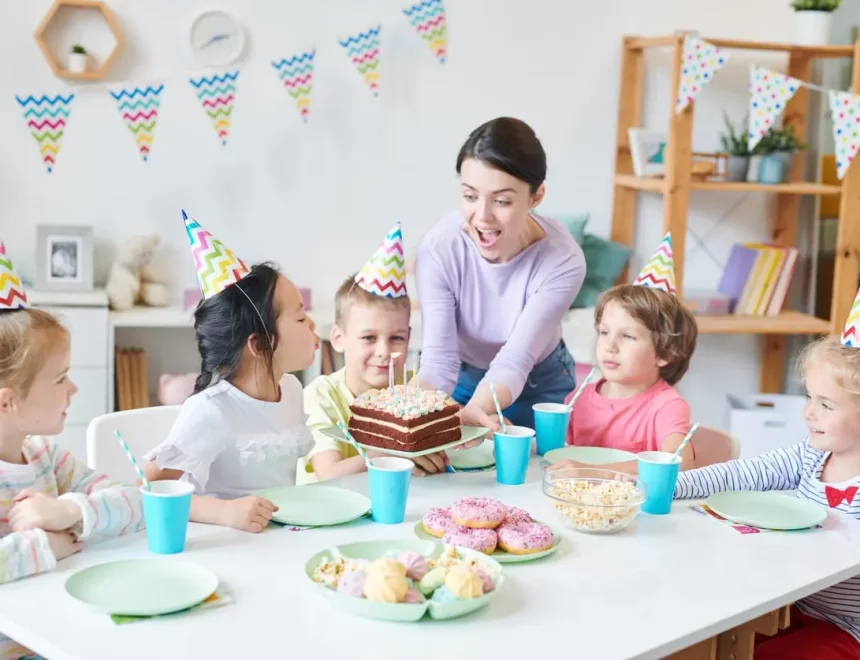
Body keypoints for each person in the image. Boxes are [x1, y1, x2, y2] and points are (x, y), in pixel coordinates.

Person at [673, 312, 860, 659]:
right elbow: (742, 474)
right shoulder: (811, 456)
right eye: (809, 397)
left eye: (826, 404)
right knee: (700, 639)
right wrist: (670, 485)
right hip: (792, 606)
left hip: (849, 628)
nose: (809, 412)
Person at [0, 243, 143, 660]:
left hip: (62, 638)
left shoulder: (47, 458)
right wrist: (46, 546)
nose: (74, 389)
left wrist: (70, 512)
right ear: (7, 401)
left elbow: (133, 501)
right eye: (60, 378)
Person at [144, 213, 319, 533]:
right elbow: (150, 490)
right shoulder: (211, 409)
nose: (312, 325)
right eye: (299, 317)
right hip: (223, 544)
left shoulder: (292, 391)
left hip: (280, 541)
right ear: (259, 345)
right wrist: (223, 512)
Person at [415, 117, 586, 430]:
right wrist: (420, 417)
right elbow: (439, 359)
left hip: (539, 381)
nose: (482, 216)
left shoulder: (563, 260)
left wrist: (474, 413)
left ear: (536, 197)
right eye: (470, 196)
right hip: (461, 376)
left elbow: (515, 360)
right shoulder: (439, 249)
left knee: (534, 472)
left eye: (502, 201)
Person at [301, 223, 450, 481]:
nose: (384, 351)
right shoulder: (321, 396)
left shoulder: (417, 391)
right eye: (369, 337)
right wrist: (392, 453)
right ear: (338, 338)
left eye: (397, 338)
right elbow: (328, 474)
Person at [548, 234, 700, 474]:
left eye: (628, 336)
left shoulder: (667, 406)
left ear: (665, 354)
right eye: (604, 332)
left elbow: (679, 463)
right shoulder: (578, 398)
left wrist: (595, 472)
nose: (610, 345)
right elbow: (553, 456)